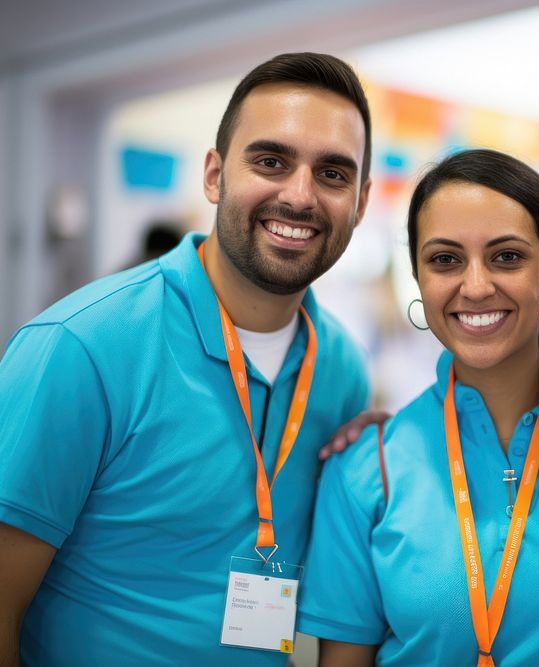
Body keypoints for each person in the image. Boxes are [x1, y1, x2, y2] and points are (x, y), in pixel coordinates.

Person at [0, 52, 373, 666]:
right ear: (214, 175)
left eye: (333, 174)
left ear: (359, 203)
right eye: (271, 160)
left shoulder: (341, 372)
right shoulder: (83, 347)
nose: (300, 196)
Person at [299, 149, 539, 666]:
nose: (477, 286)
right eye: (445, 259)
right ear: (418, 278)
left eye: (507, 256)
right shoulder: (366, 469)